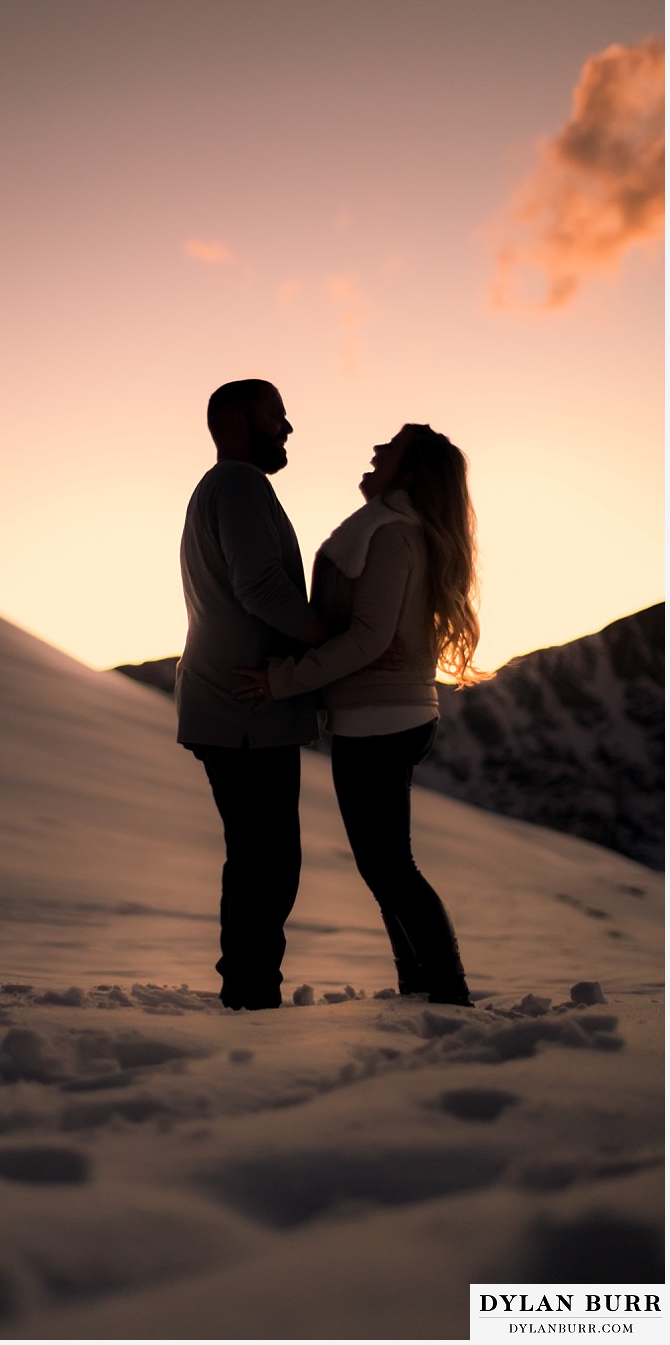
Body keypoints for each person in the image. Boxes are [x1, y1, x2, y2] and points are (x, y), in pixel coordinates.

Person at [234, 423, 486, 1006]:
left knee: (391, 868)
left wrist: (282, 681)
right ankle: (423, 988)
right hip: (381, 714)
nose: (376, 451)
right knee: (385, 868)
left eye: (390, 448)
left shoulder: (391, 534)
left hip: (382, 717)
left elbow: (371, 639)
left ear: (412, 471)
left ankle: (446, 993)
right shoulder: (390, 530)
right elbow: (371, 634)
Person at [176, 379, 328, 1011]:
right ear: (239, 421)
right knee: (267, 862)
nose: (288, 427)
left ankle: (248, 989)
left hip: (236, 707)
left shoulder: (226, 488)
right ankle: (249, 995)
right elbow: (261, 588)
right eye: (278, 415)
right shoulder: (239, 485)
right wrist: (339, 639)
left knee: (257, 858)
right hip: (245, 709)